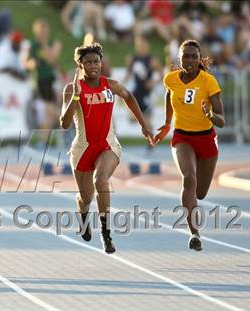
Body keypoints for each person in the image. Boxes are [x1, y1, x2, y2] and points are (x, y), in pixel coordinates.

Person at [60, 43, 154, 254]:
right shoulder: (72, 89)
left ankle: (105, 232)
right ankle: (83, 214)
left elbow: (129, 96)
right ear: (80, 65)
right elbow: (64, 124)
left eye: (96, 61)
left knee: (100, 179)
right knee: (86, 198)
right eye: (88, 62)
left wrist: (143, 125)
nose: (93, 66)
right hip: (82, 149)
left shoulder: (110, 85)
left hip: (108, 145)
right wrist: (75, 97)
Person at [154, 39, 225, 251]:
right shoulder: (171, 79)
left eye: (194, 56)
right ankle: (194, 233)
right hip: (182, 138)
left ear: (199, 58)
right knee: (189, 178)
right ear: (179, 59)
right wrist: (168, 123)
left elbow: (222, 120)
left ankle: (194, 214)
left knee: (200, 193)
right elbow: (169, 95)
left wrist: (210, 114)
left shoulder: (208, 81)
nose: (190, 60)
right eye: (186, 56)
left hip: (206, 139)